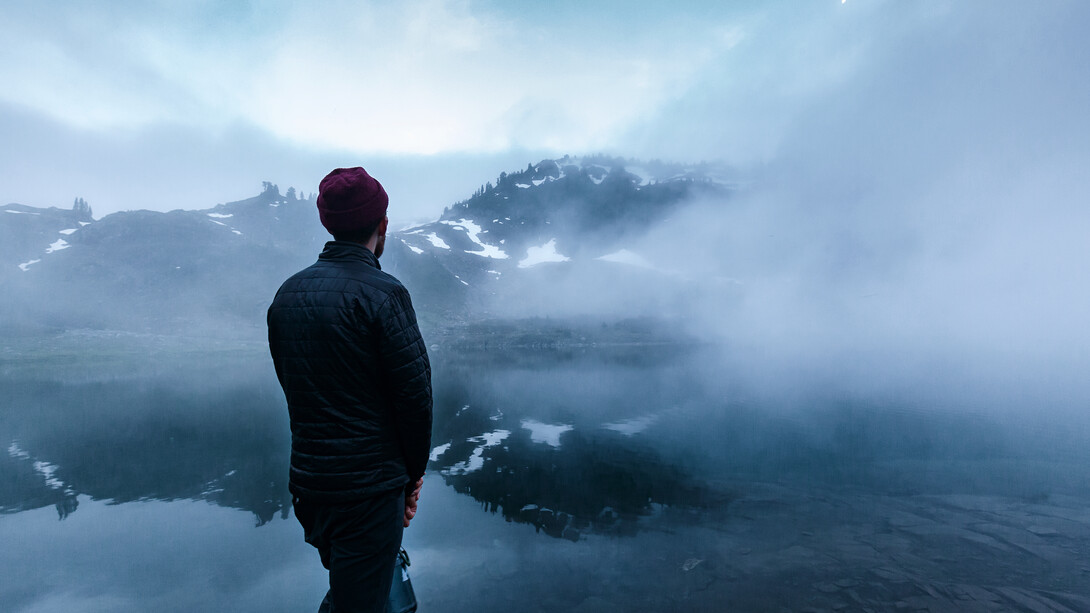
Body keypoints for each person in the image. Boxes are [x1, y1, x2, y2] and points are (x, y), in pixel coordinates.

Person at [267, 166, 432, 613]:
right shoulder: (385, 294)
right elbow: (414, 400)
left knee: (353, 591)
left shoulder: (287, 295)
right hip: (368, 492)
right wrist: (411, 480)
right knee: (360, 602)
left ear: (328, 223)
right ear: (382, 226)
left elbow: (294, 389)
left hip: (311, 489)